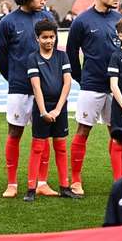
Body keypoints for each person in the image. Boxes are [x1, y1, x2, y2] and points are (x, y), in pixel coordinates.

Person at [0, 0, 56, 198]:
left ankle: (42, 181)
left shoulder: (47, 17)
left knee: (43, 135)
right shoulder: (8, 22)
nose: (43, 0)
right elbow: (1, 58)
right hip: (19, 87)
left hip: (47, 88)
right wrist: (13, 78)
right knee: (15, 132)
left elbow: (53, 53)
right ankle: (12, 183)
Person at [66, 0, 122, 193]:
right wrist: (81, 78)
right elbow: (72, 52)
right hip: (92, 85)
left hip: (117, 87)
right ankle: (76, 180)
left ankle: (120, 180)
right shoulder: (81, 20)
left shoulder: (119, 19)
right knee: (83, 131)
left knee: (117, 132)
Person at [24, 19, 81, 201]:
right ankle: (31, 189)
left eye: (52, 37)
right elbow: (36, 87)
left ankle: (65, 187)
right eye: (45, 37)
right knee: (37, 147)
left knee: (61, 147)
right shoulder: (32, 58)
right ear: (37, 38)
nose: (49, 41)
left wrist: (57, 109)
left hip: (59, 108)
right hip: (41, 109)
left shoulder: (62, 56)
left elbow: (67, 83)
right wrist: (43, 112)